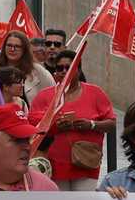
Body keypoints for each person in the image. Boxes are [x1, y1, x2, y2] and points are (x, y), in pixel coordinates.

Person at [31, 44, 112, 191]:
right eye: (59, 68)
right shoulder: (44, 96)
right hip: (53, 165)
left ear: (78, 70)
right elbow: (33, 127)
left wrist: (91, 124)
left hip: (85, 163)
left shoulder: (95, 93)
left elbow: (111, 123)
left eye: (68, 68)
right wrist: (56, 126)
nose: (63, 71)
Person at [0, 29, 53, 102]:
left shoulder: (38, 72)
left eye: (17, 46)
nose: (12, 49)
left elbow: (53, 96)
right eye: (9, 45)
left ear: (24, 49)